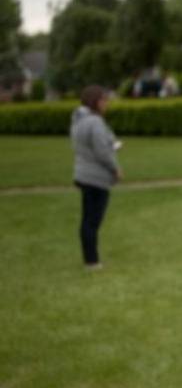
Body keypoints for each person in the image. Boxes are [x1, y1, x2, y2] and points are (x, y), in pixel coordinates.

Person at [70, 85, 122, 269]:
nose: (106, 103)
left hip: (82, 174)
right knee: (92, 221)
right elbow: (102, 151)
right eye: (104, 100)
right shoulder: (95, 122)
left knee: (88, 220)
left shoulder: (78, 121)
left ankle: (90, 258)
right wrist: (115, 169)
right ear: (96, 102)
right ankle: (92, 261)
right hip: (95, 177)